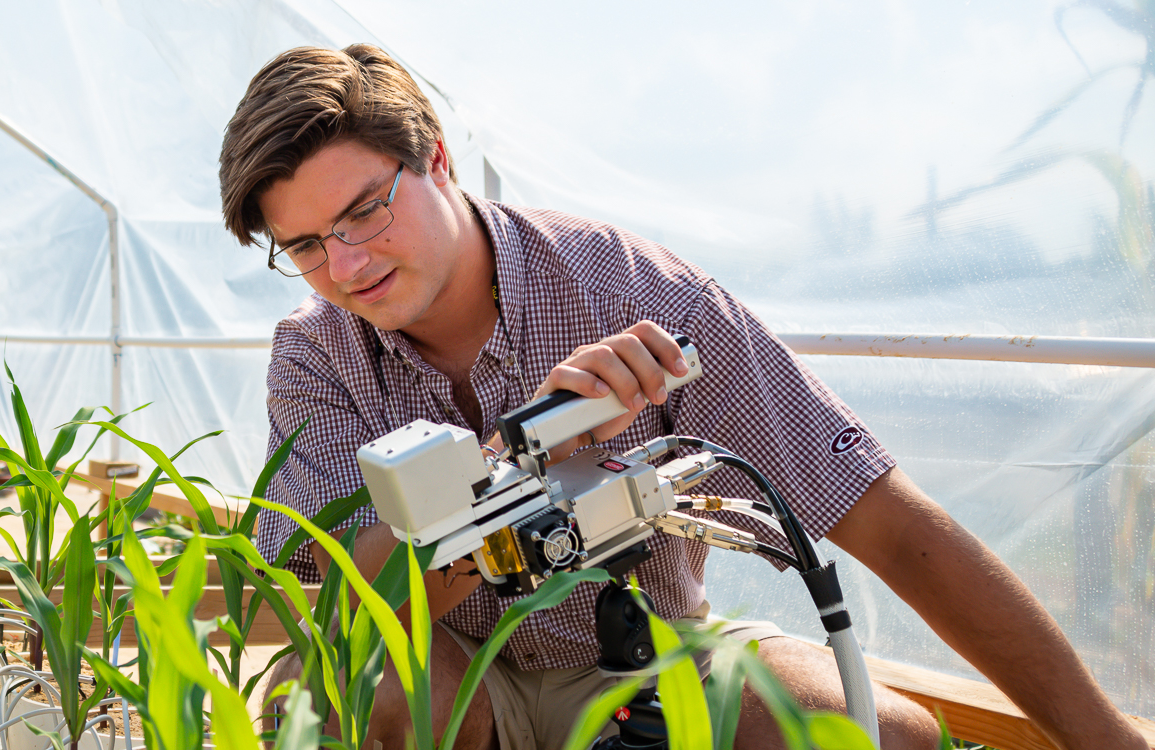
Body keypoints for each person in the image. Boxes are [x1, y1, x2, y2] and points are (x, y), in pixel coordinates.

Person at [220, 44, 1143, 750]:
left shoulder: (631, 298)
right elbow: (325, 598)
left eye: (364, 211)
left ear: (439, 159)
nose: (344, 266)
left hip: (649, 656)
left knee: (885, 734)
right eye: (302, 245)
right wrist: (523, 462)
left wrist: (1107, 739)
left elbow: (884, 522)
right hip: (465, 683)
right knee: (348, 686)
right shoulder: (316, 353)